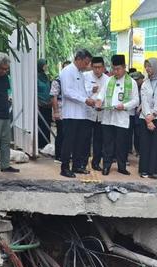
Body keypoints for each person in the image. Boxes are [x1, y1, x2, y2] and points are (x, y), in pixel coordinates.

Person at [97, 55, 139, 176]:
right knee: (107, 144)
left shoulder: (131, 82)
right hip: (108, 118)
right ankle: (106, 166)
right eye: (114, 69)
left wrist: (124, 106)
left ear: (124, 68)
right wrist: (99, 101)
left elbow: (136, 100)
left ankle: (121, 167)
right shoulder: (109, 80)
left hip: (122, 119)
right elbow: (101, 95)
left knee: (122, 144)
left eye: (118, 69)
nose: (115, 71)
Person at [59, 49, 94, 178]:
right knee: (69, 142)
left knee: (80, 142)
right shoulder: (67, 71)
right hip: (71, 114)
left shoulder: (80, 73)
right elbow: (67, 91)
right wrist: (85, 99)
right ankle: (64, 168)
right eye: (85, 63)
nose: (87, 66)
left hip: (81, 114)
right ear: (78, 59)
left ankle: (77, 166)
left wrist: (90, 98)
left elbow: (82, 92)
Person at [83, 57, 109, 171]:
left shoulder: (108, 79)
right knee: (85, 139)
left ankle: (96, 163)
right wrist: (91, 92)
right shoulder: (85, 76)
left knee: (99, 140)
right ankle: (82, 162)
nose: (97, 70)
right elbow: (81, 93)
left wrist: (101, 104)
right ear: (91, 67)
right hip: (88, 113)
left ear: (103, 68)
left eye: (99, 67)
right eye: (95, 67)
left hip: (101, 114)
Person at [50, 61, 71, 163]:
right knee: (61, 133)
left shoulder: (73, 80)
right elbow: (53, 97)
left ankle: (66, 154)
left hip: (70, 112)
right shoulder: (57, 80)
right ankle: (58, 155)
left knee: (69, 134)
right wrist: (56, 112)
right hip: (61, 110)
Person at [37, 59, 52, 150]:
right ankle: (39, 144)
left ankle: (46, 144)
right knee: (41, 124)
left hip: (48, 105)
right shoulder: (36, 77)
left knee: (47, 124)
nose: (46, 67)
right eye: (45, 65)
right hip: (40, 105)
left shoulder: (46, 77)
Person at [129, 71, 145, 156]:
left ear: (142, 79)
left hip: (142, 114)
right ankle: (135, 150)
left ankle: (140, 151)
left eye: (137, 79)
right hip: (132, 113)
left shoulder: (145, 87)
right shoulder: (132, 87)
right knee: (131, 134)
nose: (136, 81)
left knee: (139, 134)